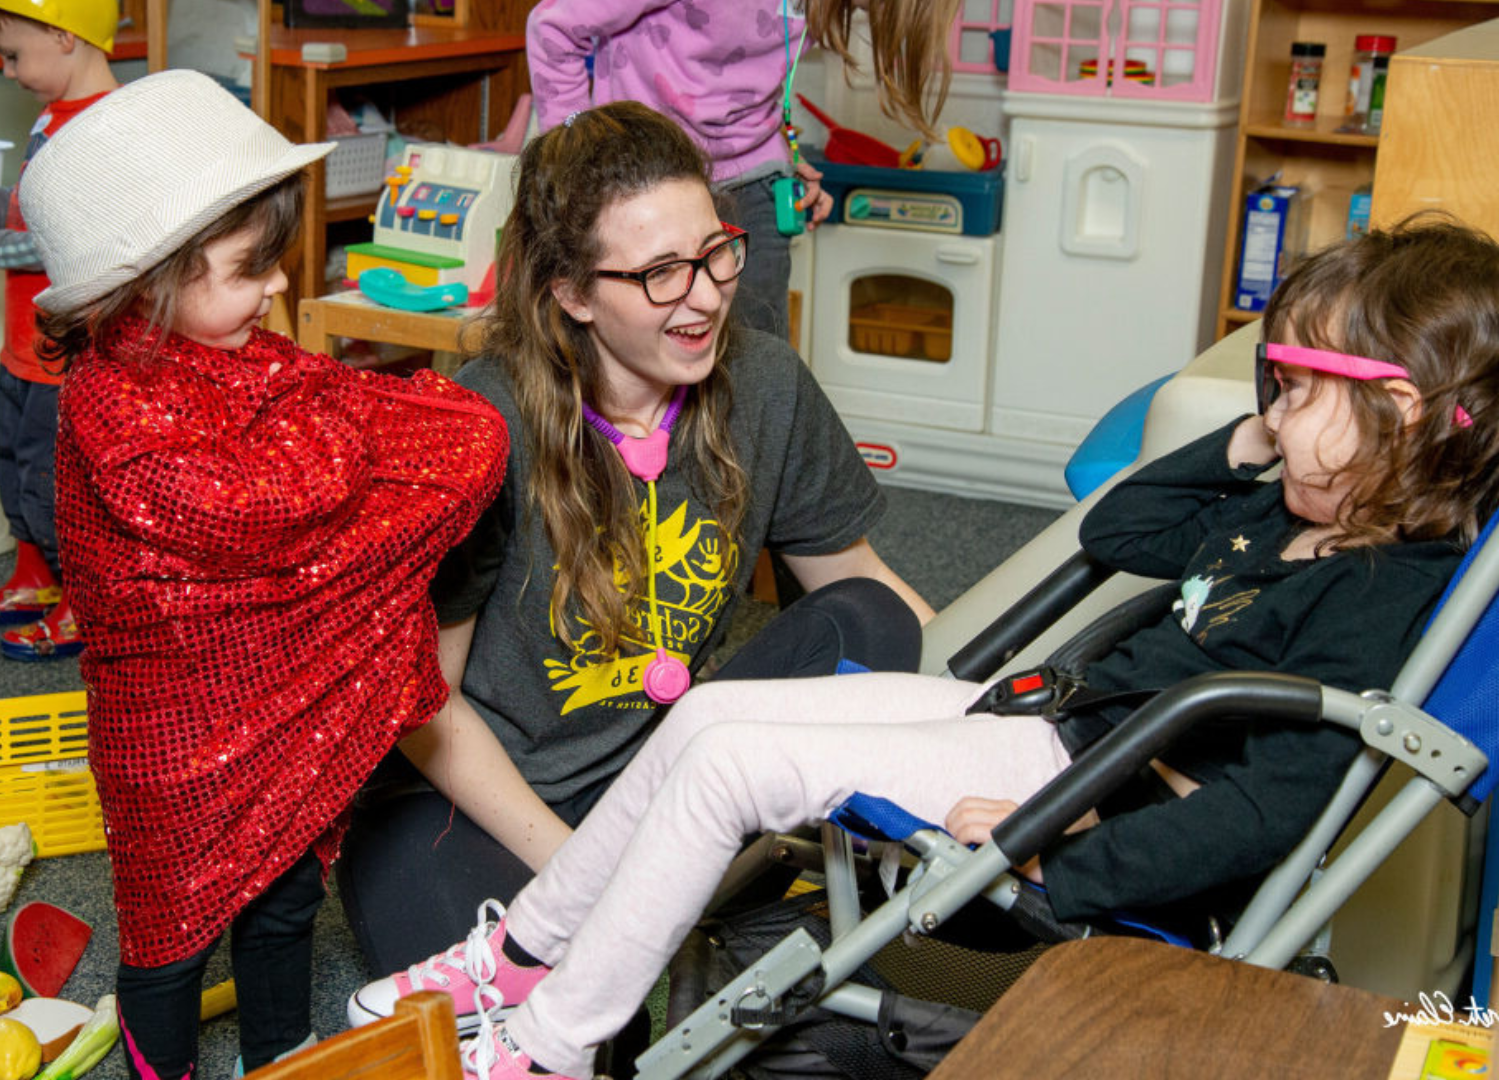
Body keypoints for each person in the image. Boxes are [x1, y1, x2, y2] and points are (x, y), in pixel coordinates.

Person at [348, 215, 1499, 1078]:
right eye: (1274, 385)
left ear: (1397, 415)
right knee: (703, 713)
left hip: (1077, 787)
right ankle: (527, 952)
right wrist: (1246, 440)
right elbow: (1118, 528)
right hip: (1041, 724)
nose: (1276, 409)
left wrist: (1061, 855)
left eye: (1298, 390)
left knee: (731, 769)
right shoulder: (1281, 510)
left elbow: (1269, 809)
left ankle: (551, 1043)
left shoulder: (1373, 596)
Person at [337, 101, 934, 1004]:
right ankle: (667, 898)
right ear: (572, 292)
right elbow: (426, 705)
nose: (703, 295)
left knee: (872, 624)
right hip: (475, 795)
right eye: (659, 273)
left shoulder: (765, 381)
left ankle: (682, 884)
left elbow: (856, 584)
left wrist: (998, 712)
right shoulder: (479, 427)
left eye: (714, 253)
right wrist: (583, 874)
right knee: (514, 1024)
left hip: (656, 772)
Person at [16, 71, 508, 1079]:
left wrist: (333, 461)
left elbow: (447, 430)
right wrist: (341, 462)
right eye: (252, 270)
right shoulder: (108, 406)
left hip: (292, 699)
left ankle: (281, 1060)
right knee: (169, 938)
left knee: (286, 900)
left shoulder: (253, 360)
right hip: (170, 732)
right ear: (148, 282)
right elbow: (246, 509)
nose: (280, 289)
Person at [526, 0, 962, 339]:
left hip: (755, 183)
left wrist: (786, 158)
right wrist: (579, 161)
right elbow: (553, 29)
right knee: (649, 350)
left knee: (760, 364)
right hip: (646, 185)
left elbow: (738, 88)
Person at [0, 0, 120, 660]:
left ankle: (82, 601)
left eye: (13, 55)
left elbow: (69, 241)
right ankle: (34, 577)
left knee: (55, 485)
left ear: (63, 37)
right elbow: (32, 204)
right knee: (13, 462)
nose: (8, 72)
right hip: (23, 344)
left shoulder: (101, 129)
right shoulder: (52, 116)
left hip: (67, 357)